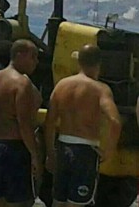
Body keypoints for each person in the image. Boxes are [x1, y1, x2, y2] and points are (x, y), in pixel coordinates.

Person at [45, 44, 122, 207]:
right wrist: (108, 151)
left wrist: (51, 152)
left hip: (63, 147)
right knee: (78, 203)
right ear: (99, 64)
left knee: (58, 201)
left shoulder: (61, 85)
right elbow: (115, 121)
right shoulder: (100, 89)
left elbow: (49, 123)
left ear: (78, 62)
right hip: (85, 152)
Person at [0, 39, 42, 207]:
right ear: (19, 55)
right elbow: (24, 123)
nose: (36, 61)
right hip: (14, 149)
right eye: (33, 56)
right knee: (17, 202)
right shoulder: (22, 83)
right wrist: (34, 154)